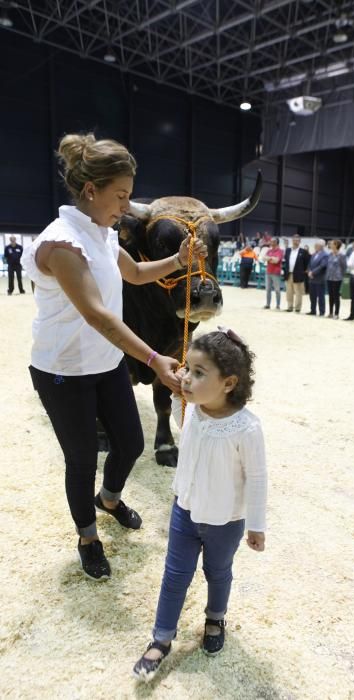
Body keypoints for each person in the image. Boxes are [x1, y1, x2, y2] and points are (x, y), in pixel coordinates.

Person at [22, 132, 206, 581]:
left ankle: (108, 499)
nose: (125, 207)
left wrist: (180, 260)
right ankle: (88, 537)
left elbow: (138, 273)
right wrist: (154, 359)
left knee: (132, 443)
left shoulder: (102, 234)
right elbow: (98, 315)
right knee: (82, 458)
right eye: (120, 195)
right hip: (63, 370)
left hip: (104, 365)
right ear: (91, 190)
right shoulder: (62, 243)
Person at [133, 329, 267, 680]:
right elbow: (176, 386)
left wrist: (256, 525)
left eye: (198, 372)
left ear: (229, 383)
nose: (187, 379)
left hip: (225, 521)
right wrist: (179, 379)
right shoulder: (189, 410)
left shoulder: (247, 429)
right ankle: (161, 639)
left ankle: (214, 617)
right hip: (184, 512)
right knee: (174, 576)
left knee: (217, 572)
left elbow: (257, 478)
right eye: (187, 369)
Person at [283, 234, 309, 312]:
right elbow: (286, 262)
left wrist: (302, 272)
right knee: (289, 292)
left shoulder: (303, 251)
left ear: (300, 241)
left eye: (297, 240)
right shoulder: (288, 250)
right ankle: (289, 307)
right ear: (292, 241)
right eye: (294, 240)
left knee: (298, 292)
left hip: (298, 274)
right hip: (288, 274)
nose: (295, 241)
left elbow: (306, 263)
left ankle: (297, 308)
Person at [325, 239, 347, 319]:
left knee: (336, 295)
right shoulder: (330, 254)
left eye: (332, 244)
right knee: (330, 295)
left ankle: (336, 313)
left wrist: (341, 274)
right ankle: (330, 312)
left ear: (336, 245)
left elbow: (344, 267)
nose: (330, 245)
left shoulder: (341, 255)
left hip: (337, 278)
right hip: (329, 277)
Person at [306, 239, 328, 316]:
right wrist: (309, 271)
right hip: (311, 278)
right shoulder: (313, 254)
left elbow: (322, 266)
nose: (315, 246)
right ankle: (313, 310)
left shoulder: (325, 255)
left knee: (320, 296)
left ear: (321, 246)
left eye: (317, 245)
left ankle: (322, 311)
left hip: (319, 278)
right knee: (312, 295)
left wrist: (313, 272)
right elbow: (309, 264)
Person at [263, 237, 284, 310]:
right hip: (268, 272)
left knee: (277, 290)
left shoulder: (280, 251)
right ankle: (268, 304)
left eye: (273, 241)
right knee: (268, 289)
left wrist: (269, 258)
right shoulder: (269, 250)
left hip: (276, 272)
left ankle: (278, 305)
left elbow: (276, 261)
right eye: (271, 241)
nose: (271, 243)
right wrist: (272, 258)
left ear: (276, 242)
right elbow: (264, 258)